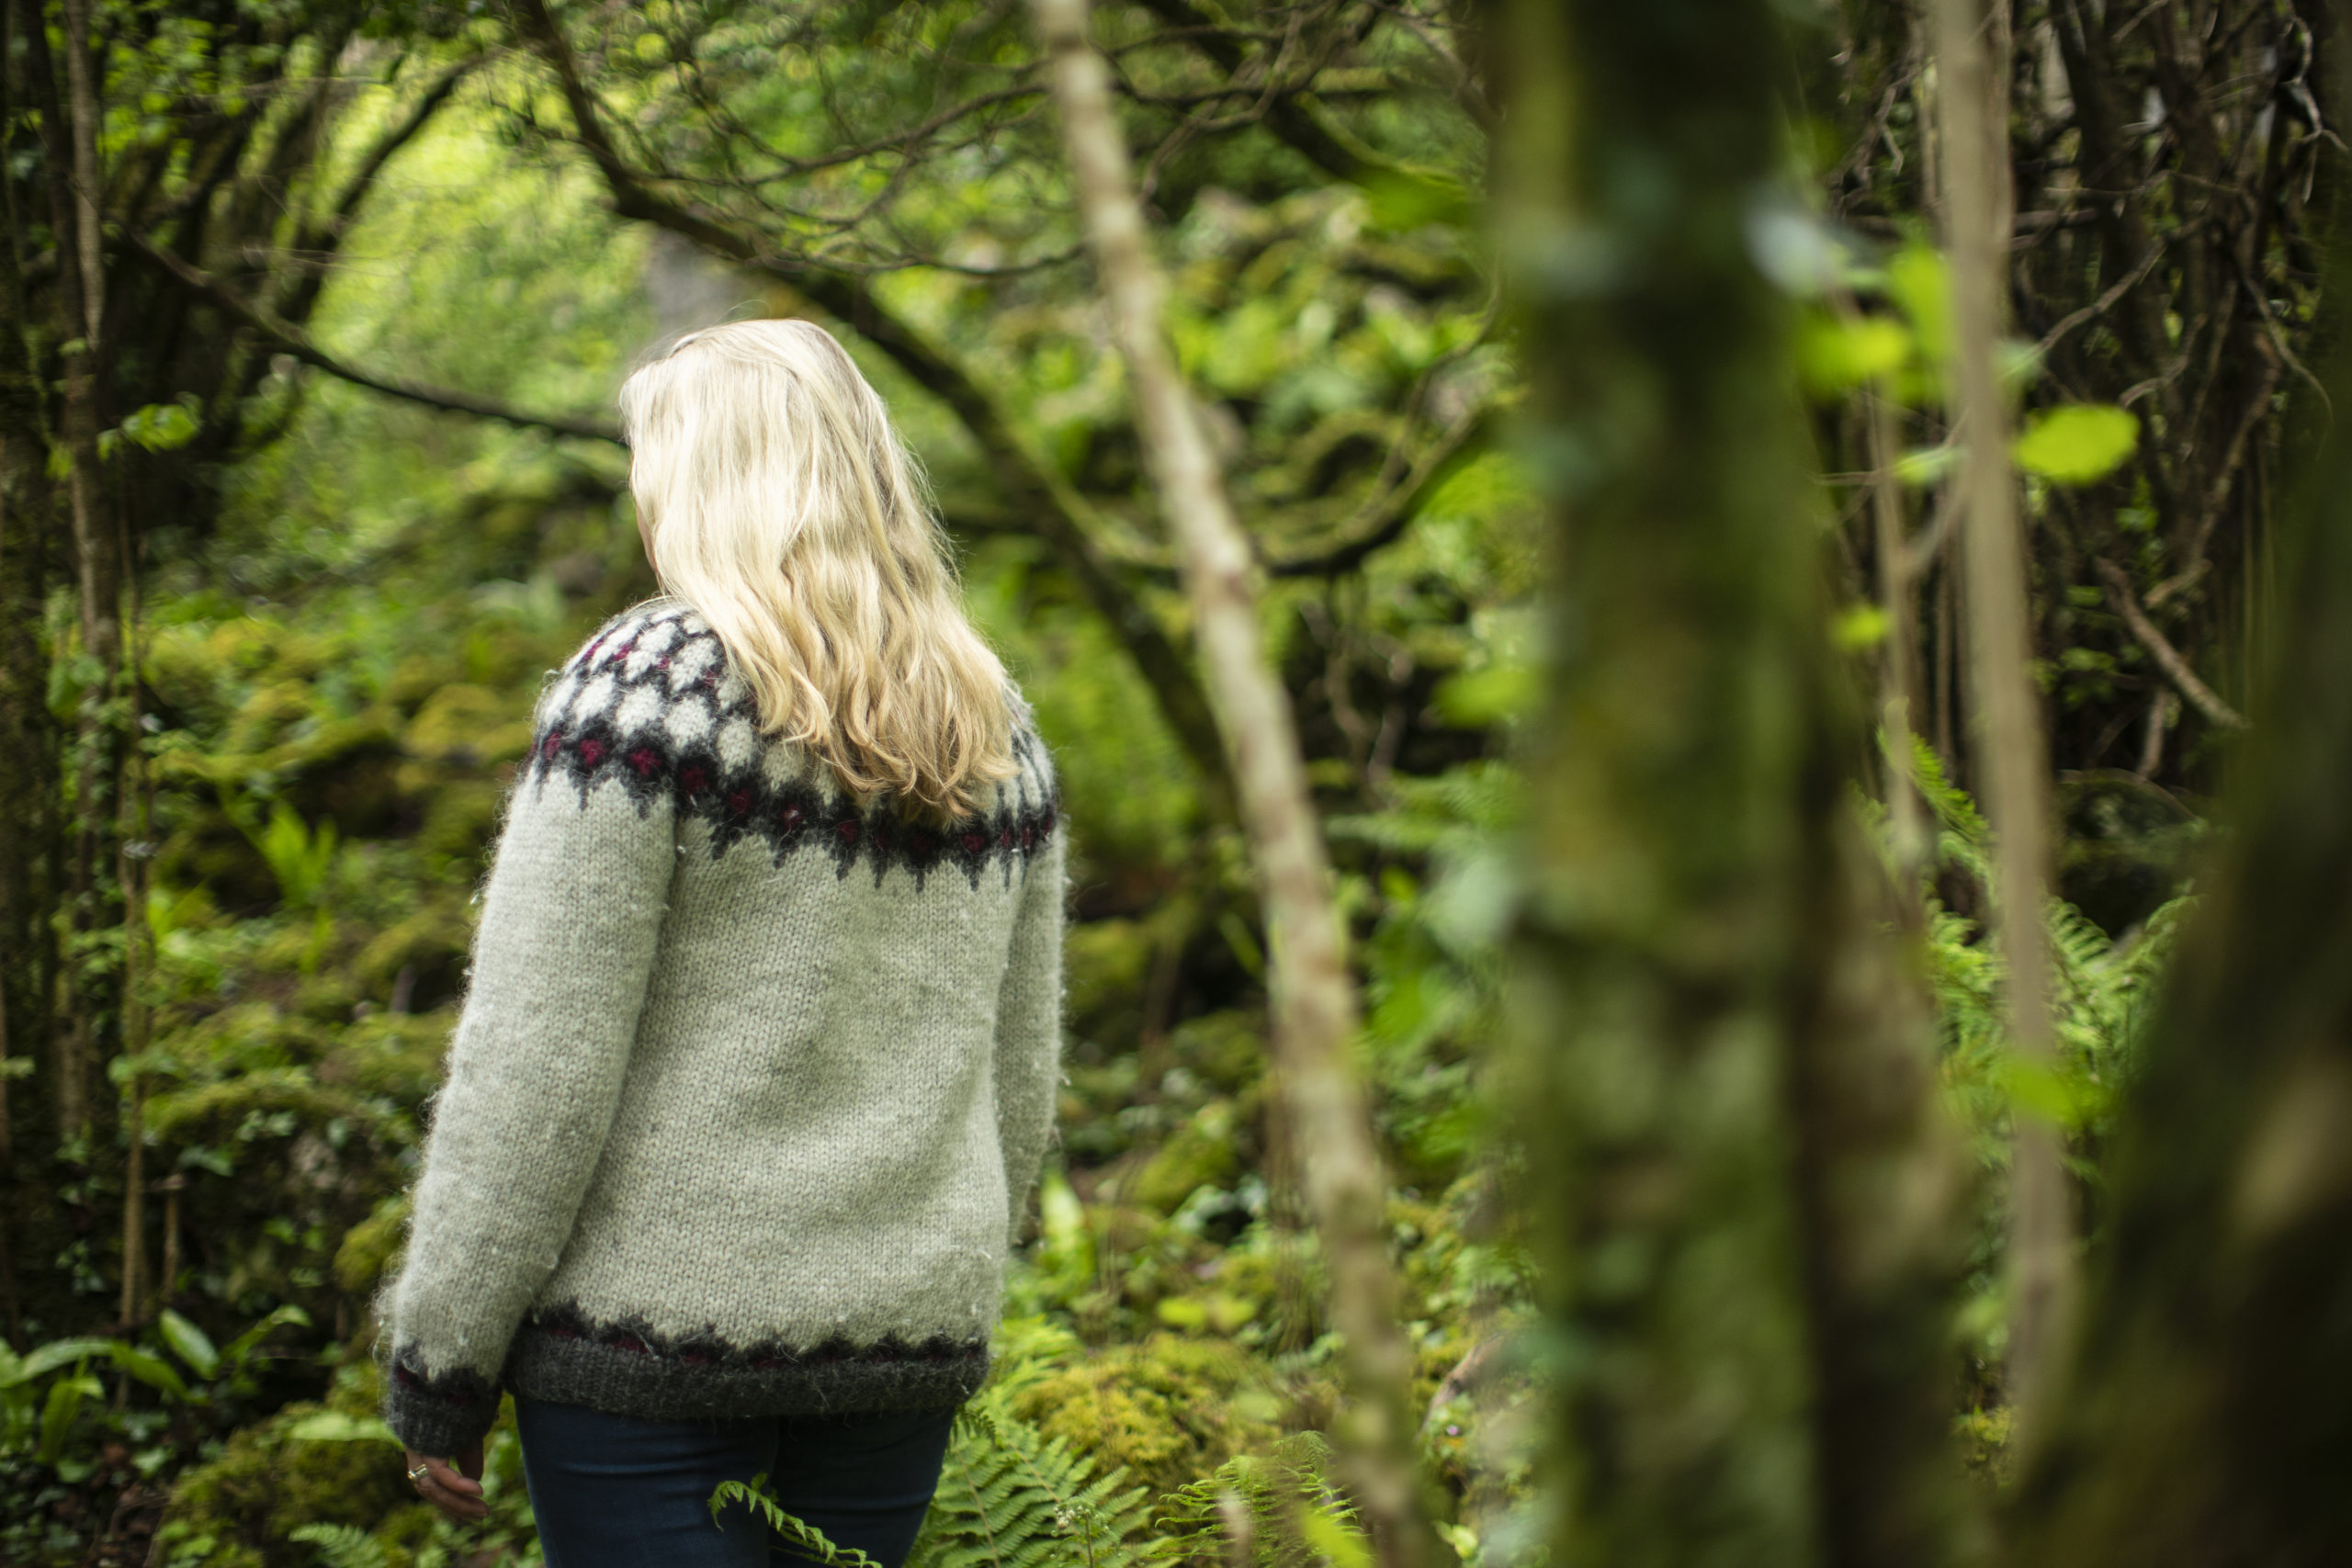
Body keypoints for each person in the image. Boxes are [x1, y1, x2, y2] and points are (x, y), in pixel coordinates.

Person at [379, 319, 1066, 1567]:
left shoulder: (647, 689)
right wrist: (934, 1273)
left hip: (649, 1357)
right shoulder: (992, 725)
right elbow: (1019, 1078)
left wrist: (445, 1357)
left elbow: (538, 1060)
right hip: (897, 1353)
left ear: (703, 483)